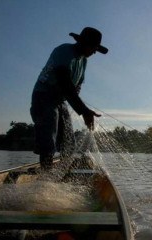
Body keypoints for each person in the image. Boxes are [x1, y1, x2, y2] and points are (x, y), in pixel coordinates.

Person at [30, 27, 108, 170]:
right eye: (93, 47)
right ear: (83, 43)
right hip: (44, 96)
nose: (94, 52)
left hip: (60, 101)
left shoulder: (83, 61)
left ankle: (61, 173)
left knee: (68, 143)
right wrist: (84, 110)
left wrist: (82, 109)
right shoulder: (64, 51)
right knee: (48, 140)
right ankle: (45, 178)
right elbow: (65, 83)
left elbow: (75, 88)